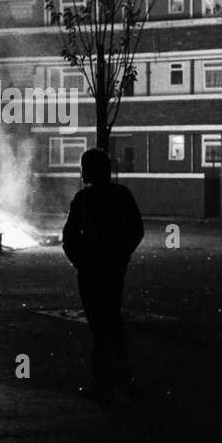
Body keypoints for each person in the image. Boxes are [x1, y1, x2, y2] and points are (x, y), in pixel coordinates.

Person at [61, 148, 144, 399]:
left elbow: (69, 237)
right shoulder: (122, 195)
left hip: (91, 271)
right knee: (111, 321)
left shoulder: (84, 199)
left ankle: (104, 380)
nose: (82, 172)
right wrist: (121, 257)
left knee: (99, 324)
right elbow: (136, 230)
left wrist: (82, 261)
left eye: (85, 167)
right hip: (112, 269)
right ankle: (120, 375)